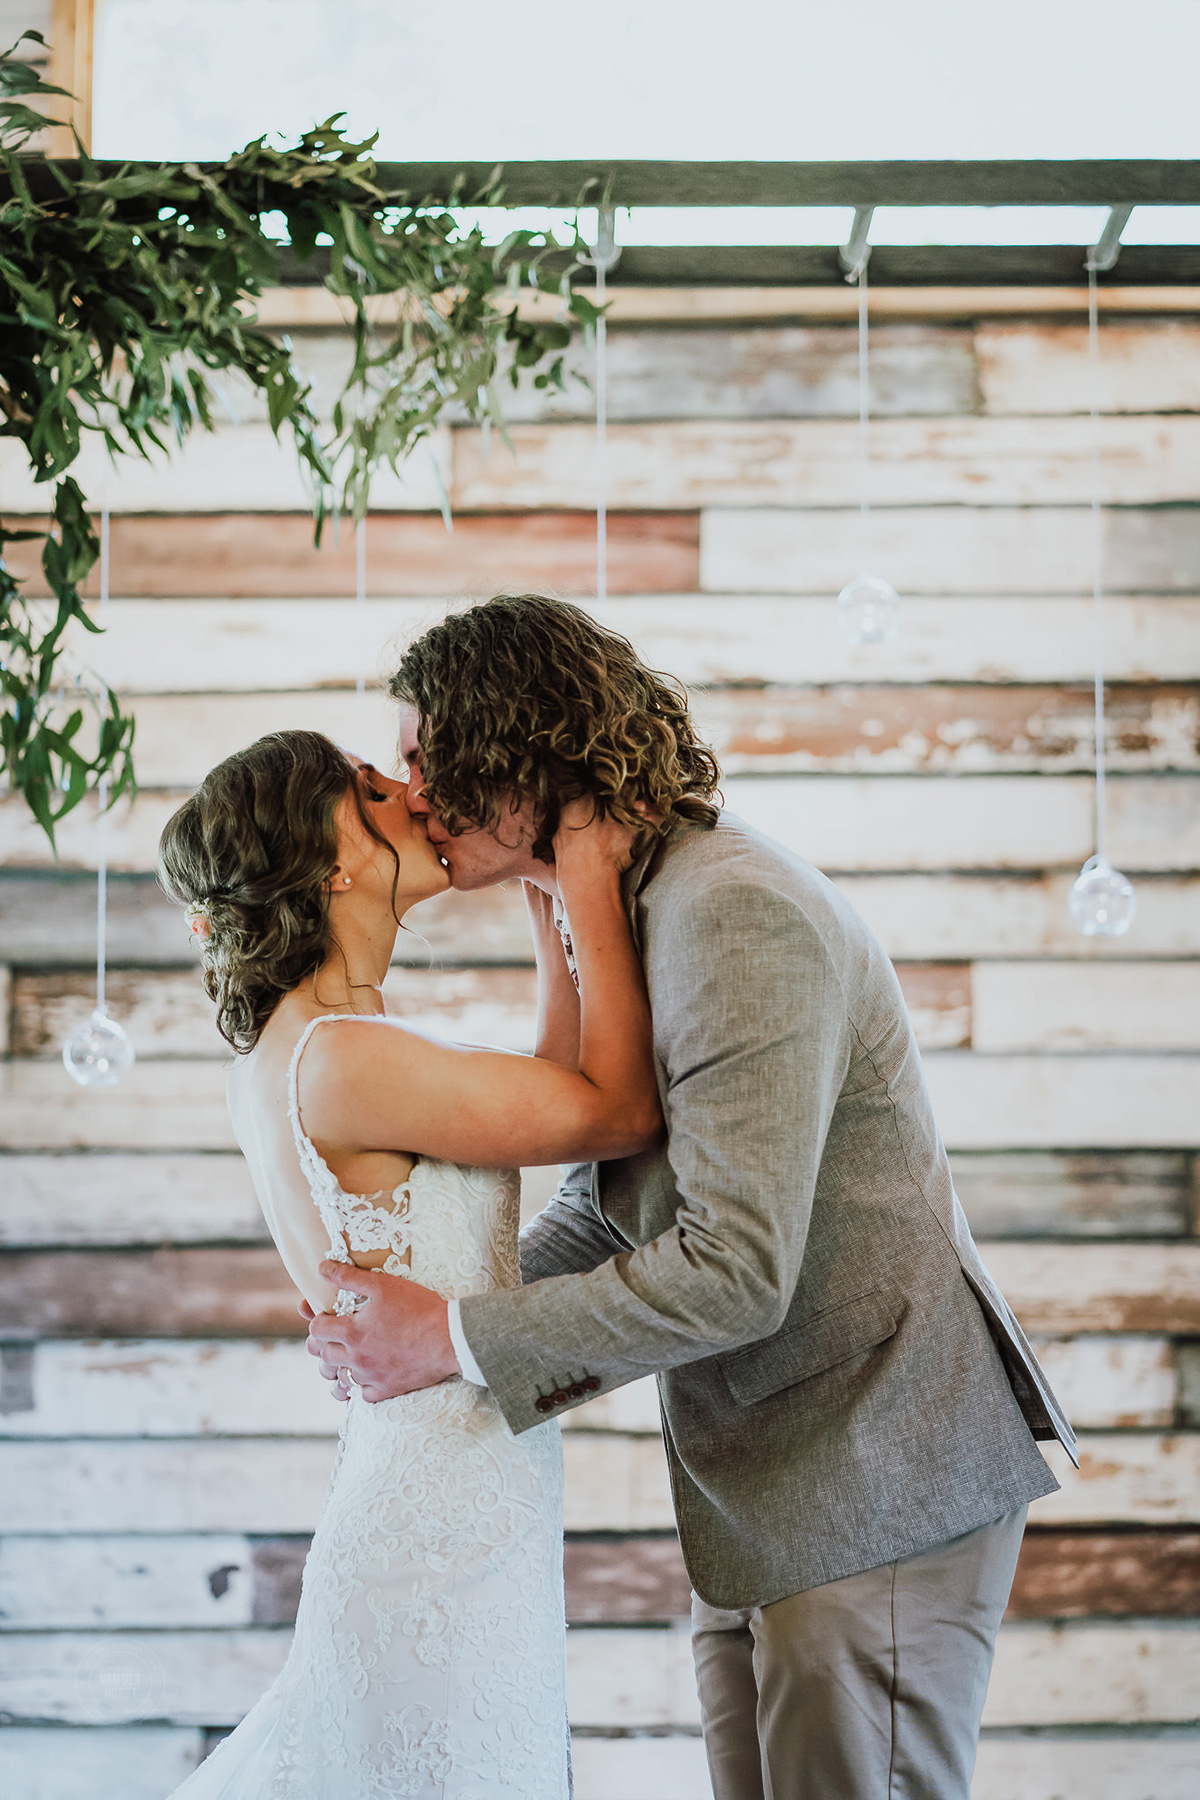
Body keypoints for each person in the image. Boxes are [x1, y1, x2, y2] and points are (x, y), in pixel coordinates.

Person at [307, 593, 1079, 1800]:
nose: (410, 793)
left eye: (423, 755)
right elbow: (620, 1204)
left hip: (870, 1478)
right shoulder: (618, 912)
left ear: (515, 745)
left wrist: (455, 1338)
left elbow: (735, 1269)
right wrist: (430, 1309)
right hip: (773, 1493)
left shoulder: (730, 912)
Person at [156, 728, 661, 1799]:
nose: (416, 796)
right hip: (441, 1535)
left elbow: (551, 1095)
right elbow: (613, 1112)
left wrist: (542, 900)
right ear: (330, 861)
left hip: (450, 1499)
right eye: (376, 792)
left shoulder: (314, 1039)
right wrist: (589, 880)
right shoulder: (347, 1057)